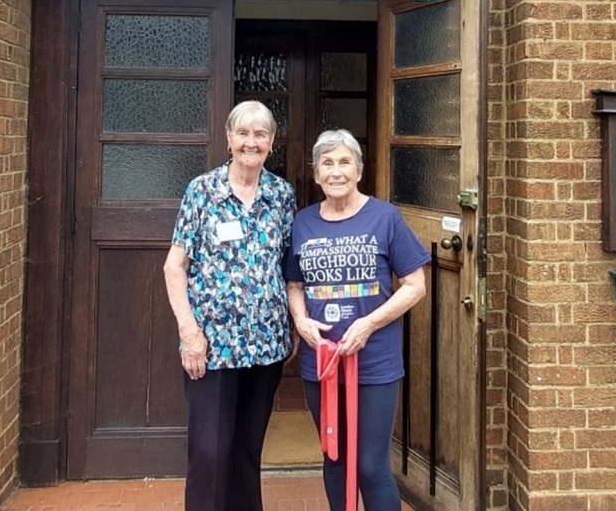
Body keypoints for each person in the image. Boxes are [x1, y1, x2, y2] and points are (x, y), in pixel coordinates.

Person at [285, 129, 430, 511]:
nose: (336, 172)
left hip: (375, 361)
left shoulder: (385, 217)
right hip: (322, 363)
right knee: (333, 456)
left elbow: (415, 286)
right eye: (327, 164)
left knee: (369, 464)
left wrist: (368, 325)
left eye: (344, 162)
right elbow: (294, 283)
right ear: (316, 174)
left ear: (359, 170)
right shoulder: (302, 223)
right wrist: (300, 321)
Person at [163, 100, 296, 511]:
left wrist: (293, 325)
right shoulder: (202, 191)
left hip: (266, 345)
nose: (250, 142)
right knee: (209, 452)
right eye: (243, 133)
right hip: (212, 347)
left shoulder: (281, 195)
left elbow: (288, 268)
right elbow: (174, 266)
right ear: (228, 138)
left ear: (271, 142)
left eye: (260, 134)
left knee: (245, 451)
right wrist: (189, 332)